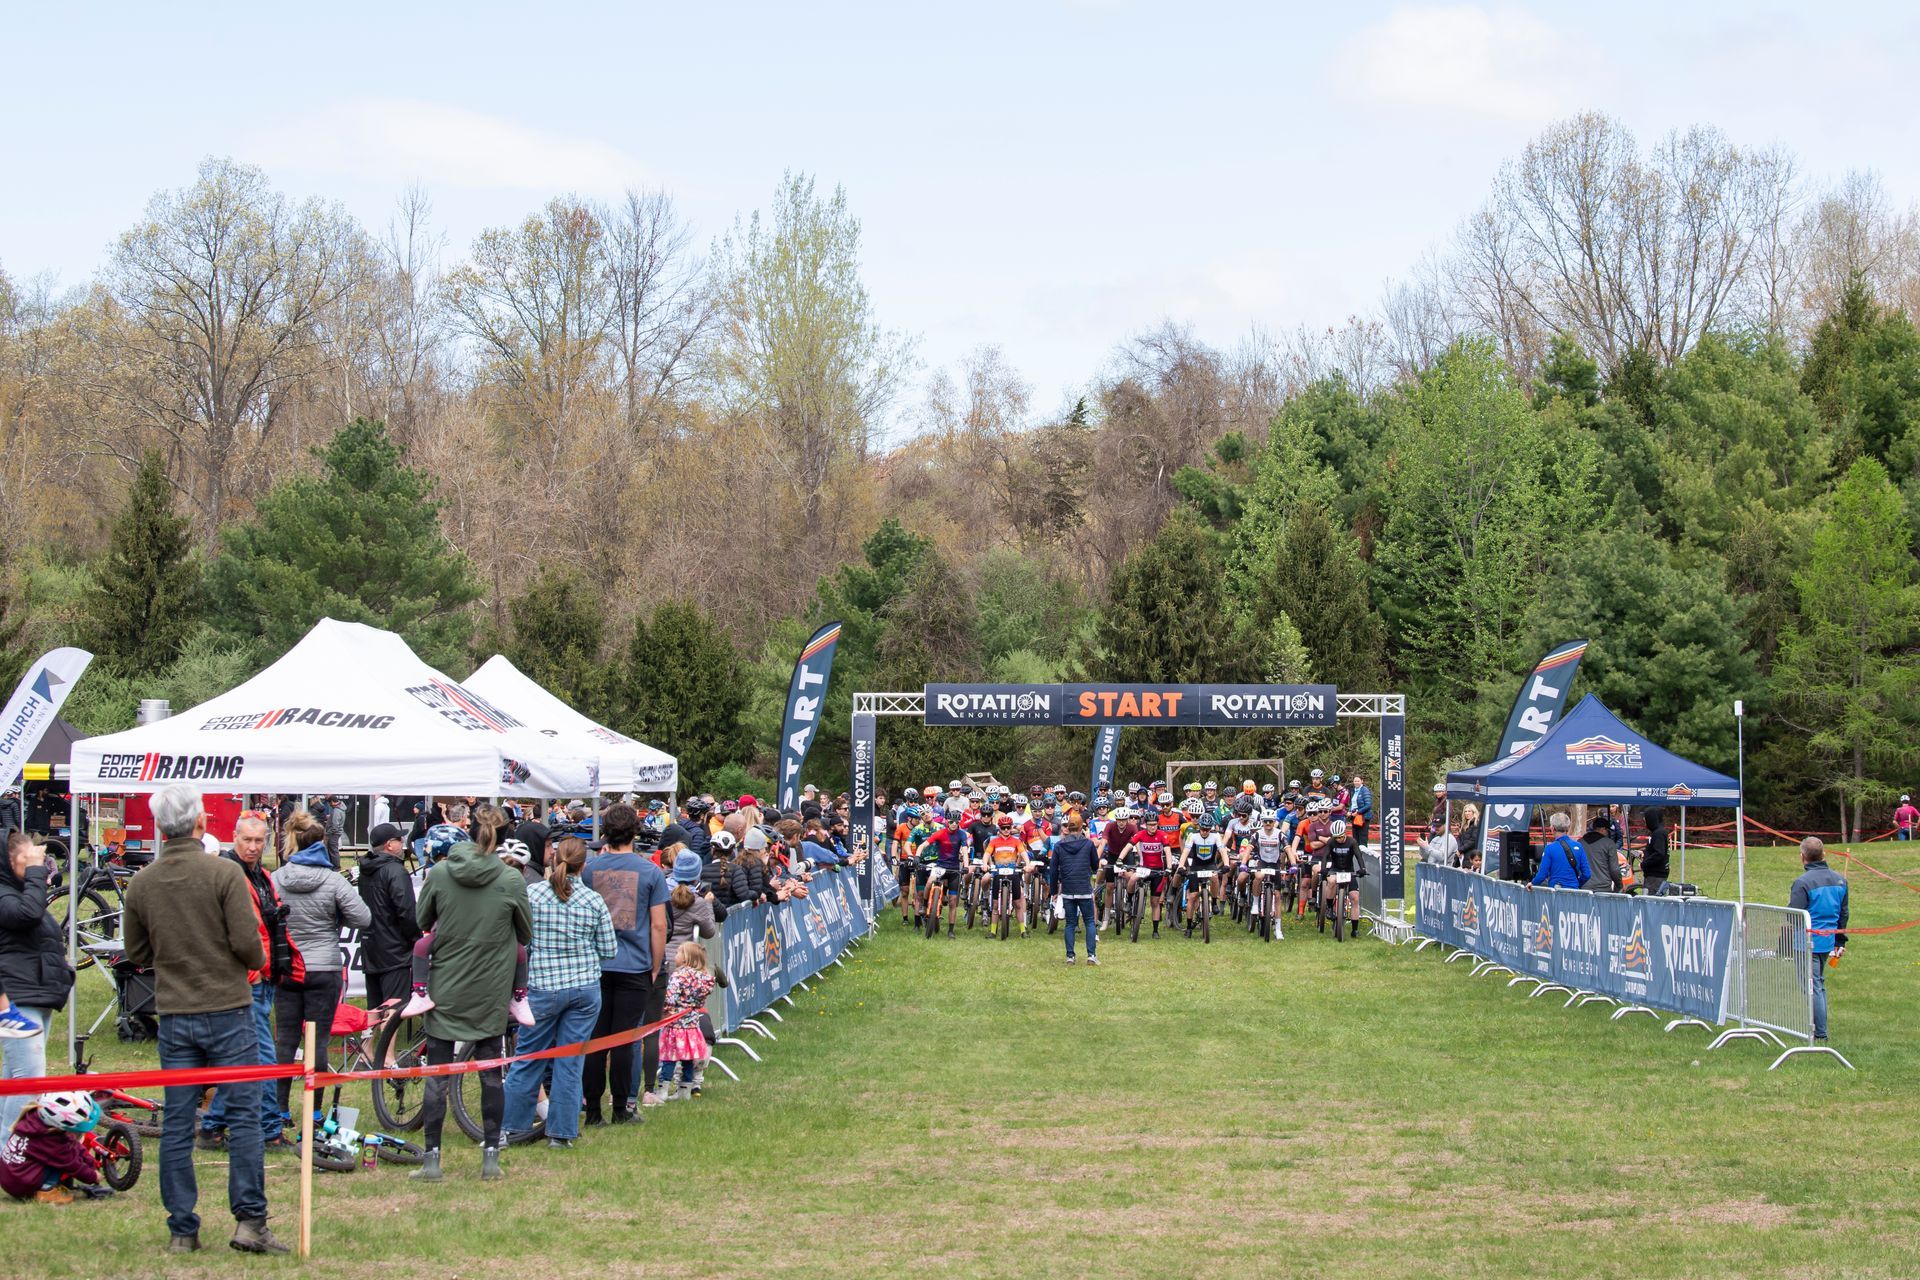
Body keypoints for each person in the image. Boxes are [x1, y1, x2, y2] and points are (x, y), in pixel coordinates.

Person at [122, 784, 283, 1254]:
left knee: (177, 1123)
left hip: (176, 1012)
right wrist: (248, 959)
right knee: (245, 1116)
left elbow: (136, 952)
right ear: (200, 821)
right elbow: (249, 945)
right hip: (229, 1008)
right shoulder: (223, 874)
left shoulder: (142, 882)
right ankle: (250, 1222)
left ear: (159, 826)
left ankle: (182, 1230)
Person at [409, 819, 533, 1184]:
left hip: (445, 987)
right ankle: (491, 1158)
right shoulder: (512, 879)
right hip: (491, 989)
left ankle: (432, 1160)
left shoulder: (440, 873)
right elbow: (525, 933)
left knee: (437, 1075)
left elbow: (422, 919)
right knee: (491, 1075)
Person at [504, 837, 614, 1149]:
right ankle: (562, 1134)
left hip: (542, 986)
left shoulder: (533, 894)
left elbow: (522, 940)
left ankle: (512, 1128)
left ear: (554, 860)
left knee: (529, 1057)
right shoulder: (593, 900)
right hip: (583, 989)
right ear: (583, 865)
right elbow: (609, 949)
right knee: (570, 1062)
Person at [269, 811, 370, 1125]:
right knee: (319, 1042)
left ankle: (280, 1111)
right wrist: (336, 917)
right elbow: (363, 918)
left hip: (288, 966)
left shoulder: (276, 878)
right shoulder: (332, 880)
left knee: (285, 1041)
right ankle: (314, 1112)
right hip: (324, 966)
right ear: (321, 844)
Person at [198, 816, 287, 1151]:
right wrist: (253, 972)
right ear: (234, 837)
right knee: (262, 1057)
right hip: (245, 979)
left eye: (258, 841)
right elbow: (231, 930)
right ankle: (270, 1129)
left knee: (246, 1060)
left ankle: (212, 1127)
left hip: (264, 976)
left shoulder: (262, 875)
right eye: (246, 840)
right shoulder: (228, 873)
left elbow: (270, 924)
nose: (252, 847)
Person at [579, 803, 670, 1122]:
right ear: (635, 832)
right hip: (635, 965)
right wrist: (655, 965)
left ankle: (592, 1109)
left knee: (596, 1039)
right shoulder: (650, 871)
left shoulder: (590, 870)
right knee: (624, 1039)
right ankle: (621, 1107)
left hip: (596, 966)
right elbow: (658, 925)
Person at [0, 833, 75, 1135]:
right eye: (28, 858)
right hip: (17, 997)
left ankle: (5, 1149)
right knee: (30, 1079)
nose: (37, 864)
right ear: (8, 862)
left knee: (16, 1077)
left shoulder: (20, 891)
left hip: (35, 994)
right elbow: (27, 915)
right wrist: (34, 873)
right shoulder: (4, 894)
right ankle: (10, 1150)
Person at [356, 822, 422, 1021]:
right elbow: (406, 910)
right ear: (389, 845)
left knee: (375, 1006)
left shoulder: (365, 870)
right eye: (399, 840)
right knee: (393, 1007)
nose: (402, 843)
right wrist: (416, 939)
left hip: (371, 944)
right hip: (395, 948)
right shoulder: (395, 870)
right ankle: (386, 1043)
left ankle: (368, 1041)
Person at [1790, 837, 1849, 1042]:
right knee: (1817, 983)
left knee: (1813, 986)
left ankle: (1820, 1033)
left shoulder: (1802, 882)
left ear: (1802, 857)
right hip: (1827, 941)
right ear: (1824, 854)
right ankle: (1817, 1029)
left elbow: (1794, 915)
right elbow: (1844, 913)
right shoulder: (1841, 880)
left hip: (1807, 942)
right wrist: (1839, 941)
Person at [1, 1092, 104, 1204]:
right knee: (60, 1162)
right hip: (22, 1184)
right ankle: (46, 1191)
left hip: (12, 1176)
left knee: (60, 1155)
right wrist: (93, 1177)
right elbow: (72, 1164)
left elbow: (73, 1145)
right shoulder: (49, 1141)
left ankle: (46, 1185)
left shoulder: (35, 1119)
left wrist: (90, 1163)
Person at [658, 941, 718, 1100]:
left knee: (669, 1057)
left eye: (678, 952)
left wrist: (664, 1010)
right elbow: (700, 1001)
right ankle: (685, 1091)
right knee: (688, 1059)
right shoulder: (703, 978)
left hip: (675, 1025)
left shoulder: (679, 975)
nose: (675, 955)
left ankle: (663, 1089)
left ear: (686, 958)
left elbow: (670, 998)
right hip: (692, 1026)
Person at [1049, 814, 1100, 965]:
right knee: (1089, 922)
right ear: (1081, 827)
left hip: (1068, 889)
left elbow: (1053, 870)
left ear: (1067, 827)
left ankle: (1070, 956)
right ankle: (1091, 955)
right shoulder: (1088, 844)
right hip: (1084, 887)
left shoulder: (1059, 845)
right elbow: (1095, 865)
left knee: (1070, 923)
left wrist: (1054, 891)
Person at [663, 850, 726, 964]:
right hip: (683, 960)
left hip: (659, 957)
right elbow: (709, 932)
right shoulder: (698, 902)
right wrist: (708, 904)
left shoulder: (659, 893)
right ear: (697, 875)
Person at [1531, 813, 1591, 889]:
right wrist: (1576, 884)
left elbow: (1541, 876)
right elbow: (1587, 874)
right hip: (1574, 890)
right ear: (1568, 828)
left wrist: (1532, 883)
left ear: (1552, 828)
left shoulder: (1549, 848)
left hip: (1556, 890)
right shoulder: (1579, 846)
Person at [1580, 816, 1622, 893]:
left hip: (1583, 887)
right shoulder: (1609, 843)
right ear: (1603, 829)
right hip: (1603, 888)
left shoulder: (1580, 842)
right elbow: (1614, 870)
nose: (1607, 833)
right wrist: (1619, 885)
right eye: (1607, 831)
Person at [1640, 809, 1671, 896]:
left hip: (1655, 875)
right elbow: (1655, 849)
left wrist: (1643, 864)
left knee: (1651, 901)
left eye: (1646, 818)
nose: (1644, 821)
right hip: (1654, 875)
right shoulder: (1656, 833)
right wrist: (1644, 853)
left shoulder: (1658, 833)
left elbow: (1659, 853)